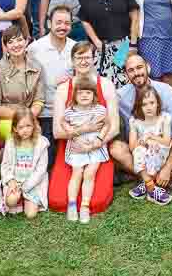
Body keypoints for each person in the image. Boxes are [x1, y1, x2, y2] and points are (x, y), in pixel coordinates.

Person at [109, 54, 172, 196]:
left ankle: (141, 178)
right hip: (138, 152)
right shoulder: (120, 96)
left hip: (162, 153)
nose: (136, 73)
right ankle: (162, 181)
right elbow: (100, 98)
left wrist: (168, 167)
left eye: (139, 67)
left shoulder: (166, 91)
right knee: (115, 149)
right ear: (126, 74)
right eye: (131, 70)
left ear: (147, 67)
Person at [49, 41, 119, 214]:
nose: (83, 61)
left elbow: (114, 126)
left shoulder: (106, 85)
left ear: (94, 58)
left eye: (87, 56)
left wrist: (97, 142)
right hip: (71, 146)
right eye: (79, 57)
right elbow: (57, 132)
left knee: (98, 202)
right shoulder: (64, 89)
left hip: (99, 145)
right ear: (72, 61)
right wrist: (84, 129)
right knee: (58, 201)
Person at [78, 0, 139, 87]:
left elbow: (134, 16)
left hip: (123, 45)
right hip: (100, 48)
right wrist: (96, 42)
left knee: (123, 82)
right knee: (102, 85)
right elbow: (84, 19)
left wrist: (133, 44)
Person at [27, 6, 75, 163]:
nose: (63, 27)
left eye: (67, 23)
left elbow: (87, 78)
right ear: (49, 23)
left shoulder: (75, 48)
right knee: (47, 160)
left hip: (70, 113)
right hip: (45, 113)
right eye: (58, 22)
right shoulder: (35, 49)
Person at [61, 75, 111, 222]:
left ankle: (84, 205)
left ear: (94, 95)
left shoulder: (100, 109)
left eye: (88, 92)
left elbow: (107, 124)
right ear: (75, 95)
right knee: (77, 172)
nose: (84, 95)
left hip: (95, 146)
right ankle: (71, 204)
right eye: (80, 92)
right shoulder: (70, 111)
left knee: (90, 173)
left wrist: (100, 139)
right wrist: (75, 138)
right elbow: (64, 125)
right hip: (78, 146)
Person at [0, 26, 47, 144]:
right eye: (10, 42)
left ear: (26, 41)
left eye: (19, 40)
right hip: (6, 120)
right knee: (20, 136)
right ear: (6, 47)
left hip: (31, 118)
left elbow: (39, 100)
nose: (16, 45)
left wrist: (29, 118)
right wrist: (22, 118)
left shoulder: (37, 66)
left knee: (38, 141)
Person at [0, 107, 50, 217]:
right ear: (15, 128)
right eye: (21, 127)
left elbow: (41, 169)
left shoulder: (41, 143)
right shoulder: (11, 142)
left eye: (28, 126)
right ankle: (18, 199)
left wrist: (26, 186)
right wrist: (11, 181)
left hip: (32, 183)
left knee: (31, 214)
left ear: (34, 126)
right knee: (10, 202)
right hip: (15, 181)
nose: (25, 130)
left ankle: (26, 198)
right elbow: (5, 164)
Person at [127, 87, 172, 204]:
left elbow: (167, 141)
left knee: (152, 147)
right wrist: (144, 141)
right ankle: (151, 188)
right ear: (139, 106)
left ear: (158, 104)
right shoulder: (135, 121)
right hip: (144, 156)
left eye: (152, 103)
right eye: (144, 104)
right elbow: (132, 147)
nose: (148, 107)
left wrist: (150, 137)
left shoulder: (164, 118)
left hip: (160, 154)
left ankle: (146, 184)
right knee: (139, 151)